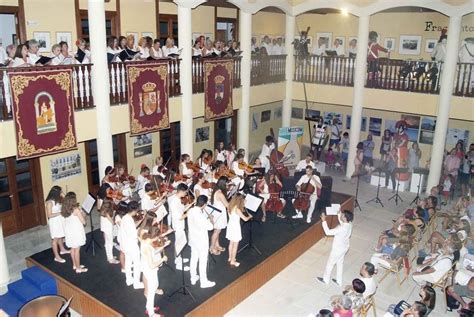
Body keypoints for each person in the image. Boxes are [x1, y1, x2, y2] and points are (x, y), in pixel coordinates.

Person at [317, 210, 354, 286]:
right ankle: (339, 281)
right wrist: (338, 214)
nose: (341, 216)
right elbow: (342, 222)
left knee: (330, 263)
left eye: (342, 215)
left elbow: (328, 232)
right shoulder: (349, 224)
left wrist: (324, 221)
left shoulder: (341, 228)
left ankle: (325, 279)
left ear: (345, 217)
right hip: (345, 247)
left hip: (338, 249)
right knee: (340, 263)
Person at [187, 195, 216, 288]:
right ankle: (204, 282)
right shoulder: (200, 215)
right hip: (201, 241)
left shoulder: (191, 210)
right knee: (203, 261)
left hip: (192, 238)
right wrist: (211, 219)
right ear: (204, 204)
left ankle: (193, 277)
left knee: (194, 258)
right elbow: (210, 227)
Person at [140, 226, 169, 317]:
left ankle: (149, 307)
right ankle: (151, 314)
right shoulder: (148, 248)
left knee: (154, 286)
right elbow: (152, 265)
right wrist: (162, 259)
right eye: (158, 237)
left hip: (146, 268)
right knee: (152, 290)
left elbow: (153, 253)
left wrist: (163, 246)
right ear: (155, 237)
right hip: (150, 270)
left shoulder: (144, 240)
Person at [61, 192, 87, 273]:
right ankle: (78, 268)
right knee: (77, 250)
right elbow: (84, 222)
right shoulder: (76, 210)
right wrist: (83, 214)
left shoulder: (64, 208)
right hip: (76, 231)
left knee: (72, 249)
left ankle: (75, 265)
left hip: (69, 231)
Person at [120, 201, 144, 288]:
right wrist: (142, 231)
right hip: (132, 245)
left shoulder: (125, 217)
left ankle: (129, 280)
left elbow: (132, 227)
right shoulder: (129, 220)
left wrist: (140, 221)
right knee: (137, 263)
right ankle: (136, 283)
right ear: (134, 210)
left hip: (125, 244)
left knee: (128, 262)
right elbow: (134, 234)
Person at [168, 183, 190, 271]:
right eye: (185, 192)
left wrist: (189, 206)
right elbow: (180, 217)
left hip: (180, 224)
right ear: (181, 191)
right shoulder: (174, 202)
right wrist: (190, 213)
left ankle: (178, 259)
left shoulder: (178, 199)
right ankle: (178, 263)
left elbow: (182, 210)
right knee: (179, 243)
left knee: (180, 242)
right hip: (178, 225)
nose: (186, 194)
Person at [226, 194, 252, 267]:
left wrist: (243, 204)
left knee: (231, 243)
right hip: (235, 228)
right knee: (235, 245)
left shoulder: (229, 206)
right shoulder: (237, 209)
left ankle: (230, 257)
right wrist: (250, 216)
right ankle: (233, 261)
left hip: (230, 226)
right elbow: (245, 219)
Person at [45, 186, 69, 263]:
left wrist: (63, 194)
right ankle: (57, 256)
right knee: (55, 239)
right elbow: (49, 215)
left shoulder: (57, 199)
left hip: (59, 220)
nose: (61, 193)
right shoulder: (49, 202)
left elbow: (67, 201)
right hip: (54, 222)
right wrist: (60, 213)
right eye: (60, 192)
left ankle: (62, 250)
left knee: (60, 236)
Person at [210, 176, 229, 255]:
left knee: (216, 231)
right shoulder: (220, 194)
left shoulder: (216, 190)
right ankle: (211, 248)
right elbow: (227, 205)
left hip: (217, 213)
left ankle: (217, 245)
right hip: (219, 214)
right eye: (227, 183)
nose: (228, 184)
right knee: (217, 232)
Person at [100, 199, 120, 264]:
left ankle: (109, 256)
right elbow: (112, 222)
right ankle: (111, 259)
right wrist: (114, 214)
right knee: (110, 243)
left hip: (104, 228)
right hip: (108, 229)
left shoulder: (102, 211)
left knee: (107, 243)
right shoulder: (107, 213)